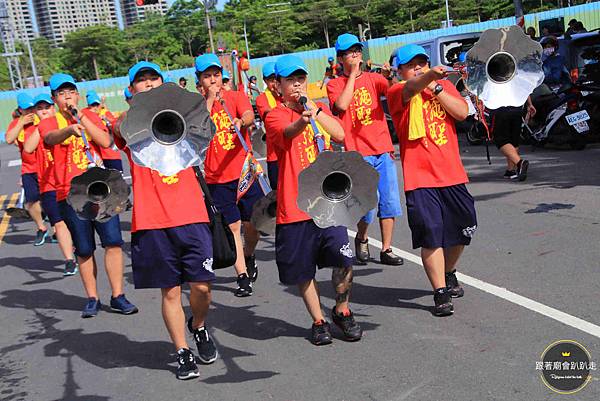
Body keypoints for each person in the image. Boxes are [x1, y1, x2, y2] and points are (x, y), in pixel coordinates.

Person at [113, 61, 218, 380]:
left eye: (153, 78)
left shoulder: (181, 117)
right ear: (131, 90)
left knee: (202, 287)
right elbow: (117, 129)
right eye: (140, 81)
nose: (148, 83)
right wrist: (140, 106)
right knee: (170, 292)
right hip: (152, 220)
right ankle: (182, 350)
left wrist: (177, 99)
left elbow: (204, 123)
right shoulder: (130, 124)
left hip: (191, 215)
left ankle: (197, 325)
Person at [264, 55, 362, 345]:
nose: (297, 84)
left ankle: (341, 310)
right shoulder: (275, 114)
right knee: (303, 269)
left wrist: (313, 111)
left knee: (343, 259)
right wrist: (302, 121)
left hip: (328, 204)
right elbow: (287, 133)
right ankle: (318, 320)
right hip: (295, 208)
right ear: (277, 86)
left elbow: (341, 134)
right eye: (290, 80)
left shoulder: (316, 109)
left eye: (301, 79)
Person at [387, 44, 477, 316]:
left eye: (421, 63)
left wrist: (437, 87)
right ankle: (440, 292)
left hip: (451, 173)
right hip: (420, 178)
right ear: (400, 70)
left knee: (465, 228)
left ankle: (449, 271)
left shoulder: (442, 87)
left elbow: (462, 113)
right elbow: (409, 89)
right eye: (411, 65)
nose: (417, 67)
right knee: (431, 237)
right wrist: (427, 79)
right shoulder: (397, 92)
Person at [39, 73, 137, 318]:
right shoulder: (50, 122)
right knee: (83, 249)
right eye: (61, 94)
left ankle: (118, 296)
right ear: (54, 98)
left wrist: (81, 118)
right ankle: (92, 297)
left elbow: (105, 141)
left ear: (77, 94)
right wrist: (69, 130)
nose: (67, 97)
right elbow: (49, 139)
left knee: (113, 243)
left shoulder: (89, 115)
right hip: (71, 194)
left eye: (70, 92)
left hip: (103, 191)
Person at [327, 33, 404, 267]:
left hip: (382, 149)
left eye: (358, 51)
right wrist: (352, 75)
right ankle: (362, 237)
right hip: (357, 153)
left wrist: (390, 77)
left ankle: (386, 248)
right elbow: (341, 106)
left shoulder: (373, 78)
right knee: (367, 205)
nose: (355, 55)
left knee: (389, 202)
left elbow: (392, 93)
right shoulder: (334, 84)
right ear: (340, 58)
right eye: (350, 52)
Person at [195, 53, 263, 296]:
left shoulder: (235, 96)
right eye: (207, 76)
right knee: (233, 227)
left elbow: (248, 115)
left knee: (253, 224)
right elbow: (198, 127)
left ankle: (249, 254)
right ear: (199, 80)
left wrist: (240, 120)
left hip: (244, 171)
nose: (213, 80)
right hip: (216, 178)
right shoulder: (198, 105)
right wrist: (210, 100)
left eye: (215, 75)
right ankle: (242, 275)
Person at [23, 93, 77, 276]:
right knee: (59, 223)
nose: (44, 111)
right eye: (40, 108)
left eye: (47, 107)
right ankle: (69, 259)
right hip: (48, 185)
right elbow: (28, 149)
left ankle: (78, 248)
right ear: (35, 112)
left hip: (68, 181)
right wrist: (41, 128)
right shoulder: (35, 130)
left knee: (74, 223)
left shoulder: (63, 123)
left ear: (53, 107)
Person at [4, 93, 49, 245]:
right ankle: (41, 228)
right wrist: (20, 123)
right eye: (26, 109)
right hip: (29, 169)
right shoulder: (17, 123)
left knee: (52, 200)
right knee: (31, 201)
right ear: (20, 110)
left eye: (32, 108)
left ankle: (57, 229)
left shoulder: (42, 119)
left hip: (47, 167)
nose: (30, 112)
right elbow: (9, 139)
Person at [254, 61, 282, 188]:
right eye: (271, 80)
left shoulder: (289, 95)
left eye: (277, 79)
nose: (275, 83)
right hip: (274, 157)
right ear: (265, 81)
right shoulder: (262, 99)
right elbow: (269, 115)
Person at [84, 90, 123, 171]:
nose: (95, 108)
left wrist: (106, 120)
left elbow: (114, 126)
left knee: (117, 177)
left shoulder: (105, 113)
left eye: (97, 105)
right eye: (92, 105)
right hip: (98, 155)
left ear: (100, 105)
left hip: (111, 154)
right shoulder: (86, 115)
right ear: (88, 106)